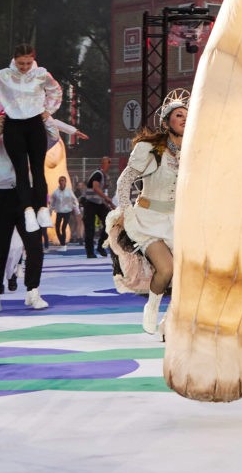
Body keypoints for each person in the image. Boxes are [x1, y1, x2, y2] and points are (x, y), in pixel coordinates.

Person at [0, 113, 77, 312]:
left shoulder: (34, 139)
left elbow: (52, 137)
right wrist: (0, 124)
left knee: (34, 246)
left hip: (29, 197)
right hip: (3, 194)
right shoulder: (1, 137)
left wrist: (45, 118)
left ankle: (33, 291)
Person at [116, 93, 187, 335]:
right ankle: (152, 307)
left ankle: (170, 321)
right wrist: (125, 211)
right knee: (166, 269)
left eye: (188, 116)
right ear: (167, 122)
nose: (184, 119)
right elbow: (125, 180)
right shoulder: (149, 149)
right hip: (148, 219)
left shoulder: (193, 152)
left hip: (176, 221)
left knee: (186, 276)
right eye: (179, 115)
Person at [0, 45, 64, 234]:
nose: (24, 67)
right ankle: (27, 211)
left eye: (27, 62)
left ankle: (42, 209)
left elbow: (56, 91)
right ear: (14, 60)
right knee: (21, 171)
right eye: (20, 63)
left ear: (33, 59)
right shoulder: (3, 76)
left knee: (37, 169)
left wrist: (48, 111)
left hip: (35, 124)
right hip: (13, 126)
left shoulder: (41, 74)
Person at [80, 171, 112, 259]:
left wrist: (111, 205)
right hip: (90, 202)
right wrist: (107, 199)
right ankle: (90, 252)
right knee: (90, 228)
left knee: (109, 223)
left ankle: (100, 246)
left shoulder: (104, 180)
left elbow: (101, 195)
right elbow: (95, 188)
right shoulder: (98, 174)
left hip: (99, 203)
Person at [48, 175, 78, 246]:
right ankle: (61, 240)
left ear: (65, 182)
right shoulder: (55, 192)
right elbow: (52, 203)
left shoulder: (69, 191)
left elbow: (75, 200)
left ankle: (63, 243)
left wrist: (77, 210)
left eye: (63, 180)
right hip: (59, 212)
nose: (62, 182)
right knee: (57, 227)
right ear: (59, 182)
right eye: (60, 180)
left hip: (67, 212)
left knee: (64, 227)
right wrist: (50, 212)